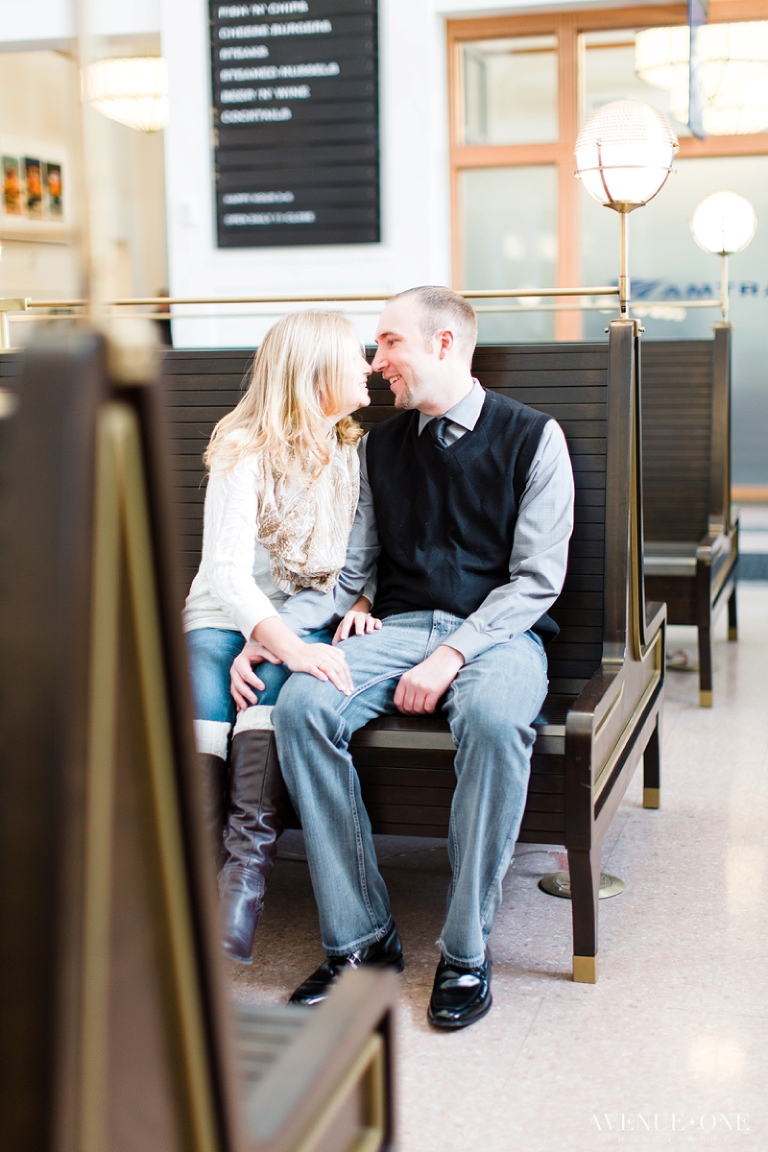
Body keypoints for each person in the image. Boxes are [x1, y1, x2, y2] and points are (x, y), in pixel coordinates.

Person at [233, 285, 575, 1029]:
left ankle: (465, 948)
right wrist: (272, 634)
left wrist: (452, 654)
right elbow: (351, 576)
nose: (376, 360)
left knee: (491, 719)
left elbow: (536, 583)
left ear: (444, 343)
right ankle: (362, 940)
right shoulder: (380, 445)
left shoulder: (533, 437)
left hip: (500, 635)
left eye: (390, 343)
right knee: (301, 704)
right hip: (392, 630)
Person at [184, 309, 379, 964]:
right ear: (318, 370)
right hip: (222, 616)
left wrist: (358, 601)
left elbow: (363, 554)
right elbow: (226, 576)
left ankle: (241, 887)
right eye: (356, 356)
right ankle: (190, 900)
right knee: (208, 713)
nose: (369, 365)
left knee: (262, 693)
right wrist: (281, 643)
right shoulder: (242, 447)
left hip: (296, 617)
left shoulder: (350, 452)